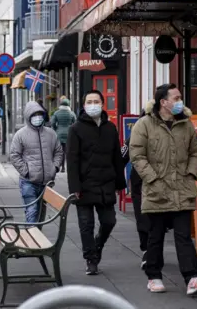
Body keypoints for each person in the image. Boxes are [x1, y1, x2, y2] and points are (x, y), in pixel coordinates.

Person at [129, 84, 197, 295]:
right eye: (176, 98)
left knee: (184, 235)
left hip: (182, 189)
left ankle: (193, 277)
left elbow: (196, 151)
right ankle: (154, 276)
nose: (180, 101)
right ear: (163, 102)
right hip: (157, 189)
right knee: (155, 235)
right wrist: (152, 179)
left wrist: (192, 174)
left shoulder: (186, 124)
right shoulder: (144, 125)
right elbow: (137, 156)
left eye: (180, 98)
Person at [67, 90, 126, 276]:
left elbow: (117, 157)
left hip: (106, 184)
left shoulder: (110, 128)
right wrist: (74, 187)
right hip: (84, 186)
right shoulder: (75, 129)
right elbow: (72, 160)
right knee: (86, 225)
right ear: (84, 106)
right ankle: (91, 259)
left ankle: (97, 246)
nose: (93, 104)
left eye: (96, 101)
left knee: (109, 221)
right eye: (89, 101)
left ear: (102, 104)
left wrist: (119, 183)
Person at [10, 101, 63, 223]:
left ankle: (35, 237)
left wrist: (54, 168)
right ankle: (31, 239)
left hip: (46, 183)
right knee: (32, 211)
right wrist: (26, 171)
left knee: (40, 215)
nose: (37, 117)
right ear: (28, 116)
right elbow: (14, 155)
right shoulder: (20, 135)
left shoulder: (51, 133)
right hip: (28, 182)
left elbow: (59, 152)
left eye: (40, 114)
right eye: (34, 115)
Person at [121, 106, 149, 269]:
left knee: (153, 220)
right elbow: (121, 157)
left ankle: (150, 250)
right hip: (139, 185)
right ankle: (147, 250)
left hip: (158, 185)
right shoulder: (134, 137)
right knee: (142, 219)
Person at [51, 98, 76, 173]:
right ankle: (69, 166)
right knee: (68, 150)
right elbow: (75, 123)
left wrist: (56, 129)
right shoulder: (71, 113)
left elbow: (52, 123)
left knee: (60, 151)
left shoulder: (56, 113)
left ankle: (62, 167)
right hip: (69, 134)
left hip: (59, 134)